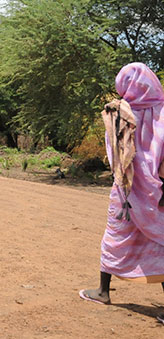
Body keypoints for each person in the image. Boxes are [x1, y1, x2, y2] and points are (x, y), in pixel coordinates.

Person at [78, 62, 164, 310]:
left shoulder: (119, 114)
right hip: (158, 193)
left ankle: (103, 291)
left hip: (126, 191)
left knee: (115, 238)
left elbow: (115, 157)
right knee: (160, 242)